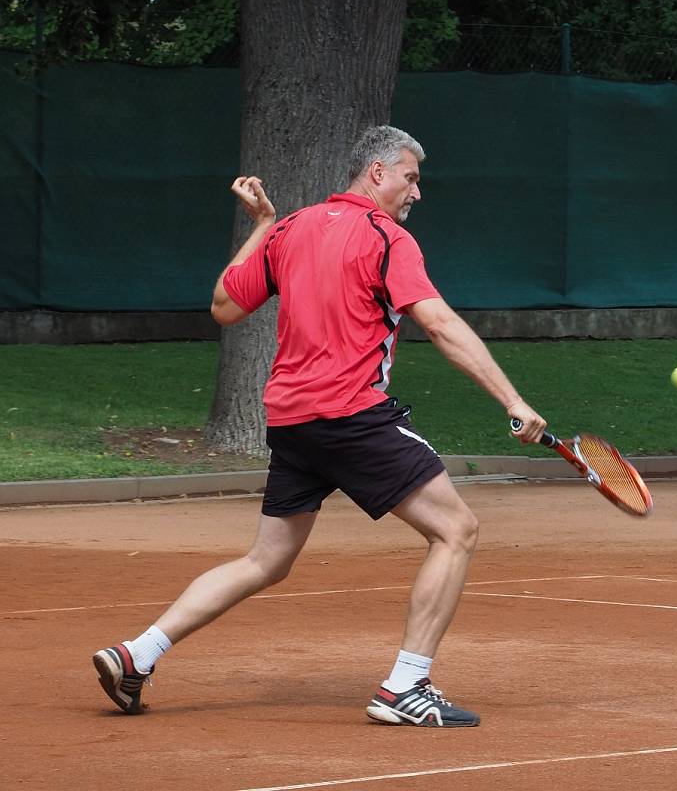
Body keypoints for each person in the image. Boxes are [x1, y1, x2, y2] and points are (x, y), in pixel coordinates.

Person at [93, 125, 546, 727]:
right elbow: (438, 324)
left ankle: (136, 655)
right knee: (456, 530)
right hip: (350, 415)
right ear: (378, 173)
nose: (417, 193)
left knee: (266, 562)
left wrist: (260, 226)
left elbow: (224, 307)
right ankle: (406, 688)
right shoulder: (388, 238)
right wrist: (512, 400)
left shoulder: (291, 228)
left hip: (291, 421)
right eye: (411, 177)